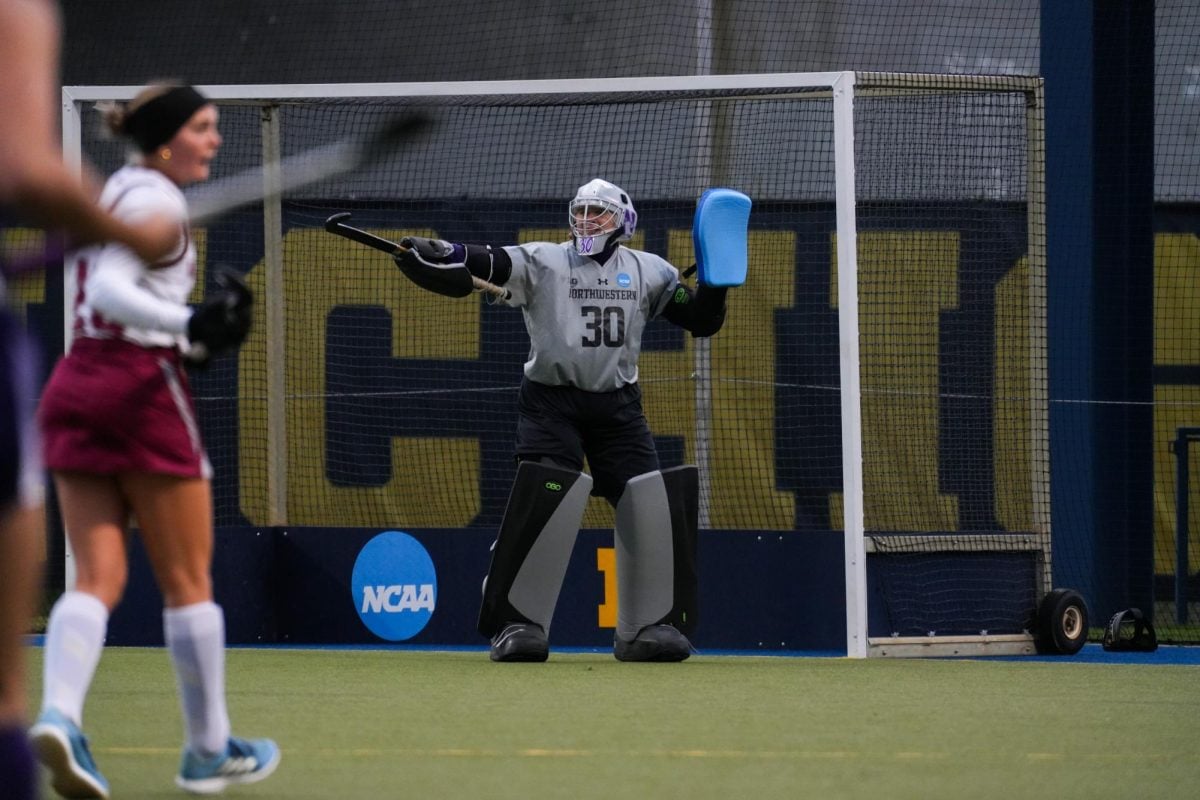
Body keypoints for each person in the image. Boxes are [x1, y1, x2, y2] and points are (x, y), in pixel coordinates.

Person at [29, 83, 278, 799]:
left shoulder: (116, 195)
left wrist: (192, 336)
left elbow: (112, 302)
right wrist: (189, 325)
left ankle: (60, 715)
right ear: (167, 139)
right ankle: (206, 750)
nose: (215, 141)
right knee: (188, 581)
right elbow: (110, 293)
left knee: (97, 578)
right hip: (138, 389)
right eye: (203, 128)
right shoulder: (158, 204)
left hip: (76, 383)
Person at [393, 178, 731, 662]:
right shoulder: (544, 261)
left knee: (650, 502)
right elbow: (483, 259)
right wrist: (441, 250)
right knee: (545, 495)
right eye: (582, 211)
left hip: (618, 406)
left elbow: (701, 319)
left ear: (624, 222)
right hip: (551, 402)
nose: (588, 220)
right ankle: (516, 621)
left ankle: (647, 627)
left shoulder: (650, 272)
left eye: (600, 212)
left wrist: (718, 283)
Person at [0, 3, 179, 799]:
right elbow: (28, 171)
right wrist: (124, 233)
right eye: (204, 127)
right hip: (121, 394)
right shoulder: (15, 13)